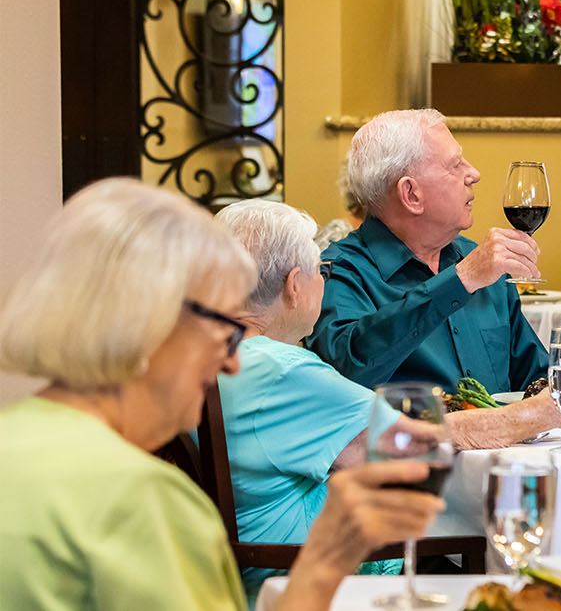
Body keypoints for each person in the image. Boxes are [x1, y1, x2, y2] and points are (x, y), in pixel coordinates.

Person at [0, 178, 442, 611]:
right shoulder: (138, 499)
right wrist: (325, 562)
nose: (231, 363)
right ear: (153, 323)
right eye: (225, 332)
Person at [216, 200, 561, 599]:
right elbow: (415, 438)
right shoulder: (283, 370)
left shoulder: (217, 355)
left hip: (268, 576)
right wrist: (545, 411)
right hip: (317, 589)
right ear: (293, 285)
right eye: (321, 272)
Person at [307, 109, 550, 393]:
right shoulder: (340, 272)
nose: (474, 174)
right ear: (411, 194)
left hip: (509, 439)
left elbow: (535, 377)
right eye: (455, 165)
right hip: (408, 438)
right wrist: (459, 282)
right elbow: (346, 372)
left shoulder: (481, 265)